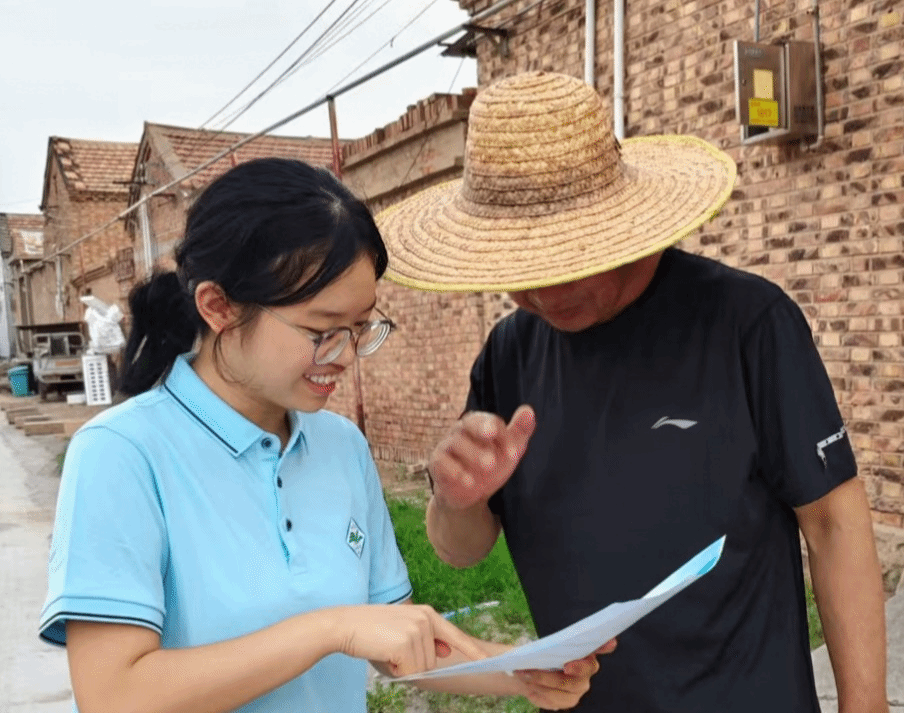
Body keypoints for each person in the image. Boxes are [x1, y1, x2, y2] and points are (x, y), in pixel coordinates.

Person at [374, 72, 890, 712]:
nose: (545, 294)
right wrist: (457, 500)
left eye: (567, 259)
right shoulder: (510, 353)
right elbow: (461, 550)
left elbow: (833, 521)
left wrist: (866, 706)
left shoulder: (746, 323)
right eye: (519, 268)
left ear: (621, 225)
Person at [39, 157, 611, 713]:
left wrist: (525, 671)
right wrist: (330, 629)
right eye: (321, 331)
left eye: (360, 328)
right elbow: (114, 695)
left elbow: (398, 645)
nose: (345, 356)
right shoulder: (122, 454)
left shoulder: (340, 446)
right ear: (218, 307)